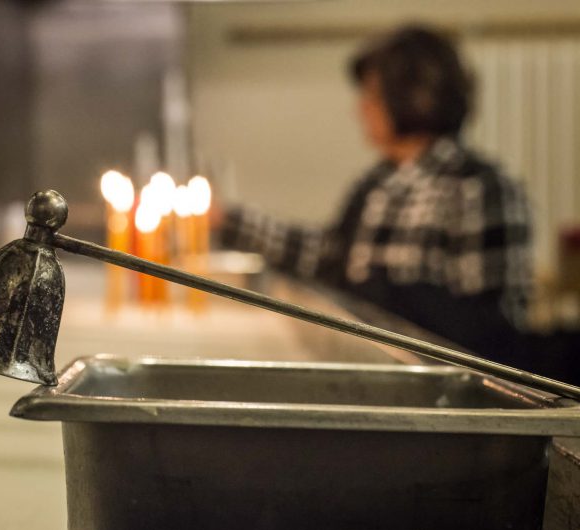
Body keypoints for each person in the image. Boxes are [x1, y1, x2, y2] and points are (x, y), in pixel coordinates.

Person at [220, 25, 537, 368]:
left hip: (446, 392)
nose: (361, 110)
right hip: (375, 367)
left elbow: (492, 332)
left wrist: (389, 293)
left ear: (415, 96)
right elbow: (329, 259)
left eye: (372, 95)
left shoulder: (478, 188)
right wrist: (228, 220)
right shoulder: (378, 184)